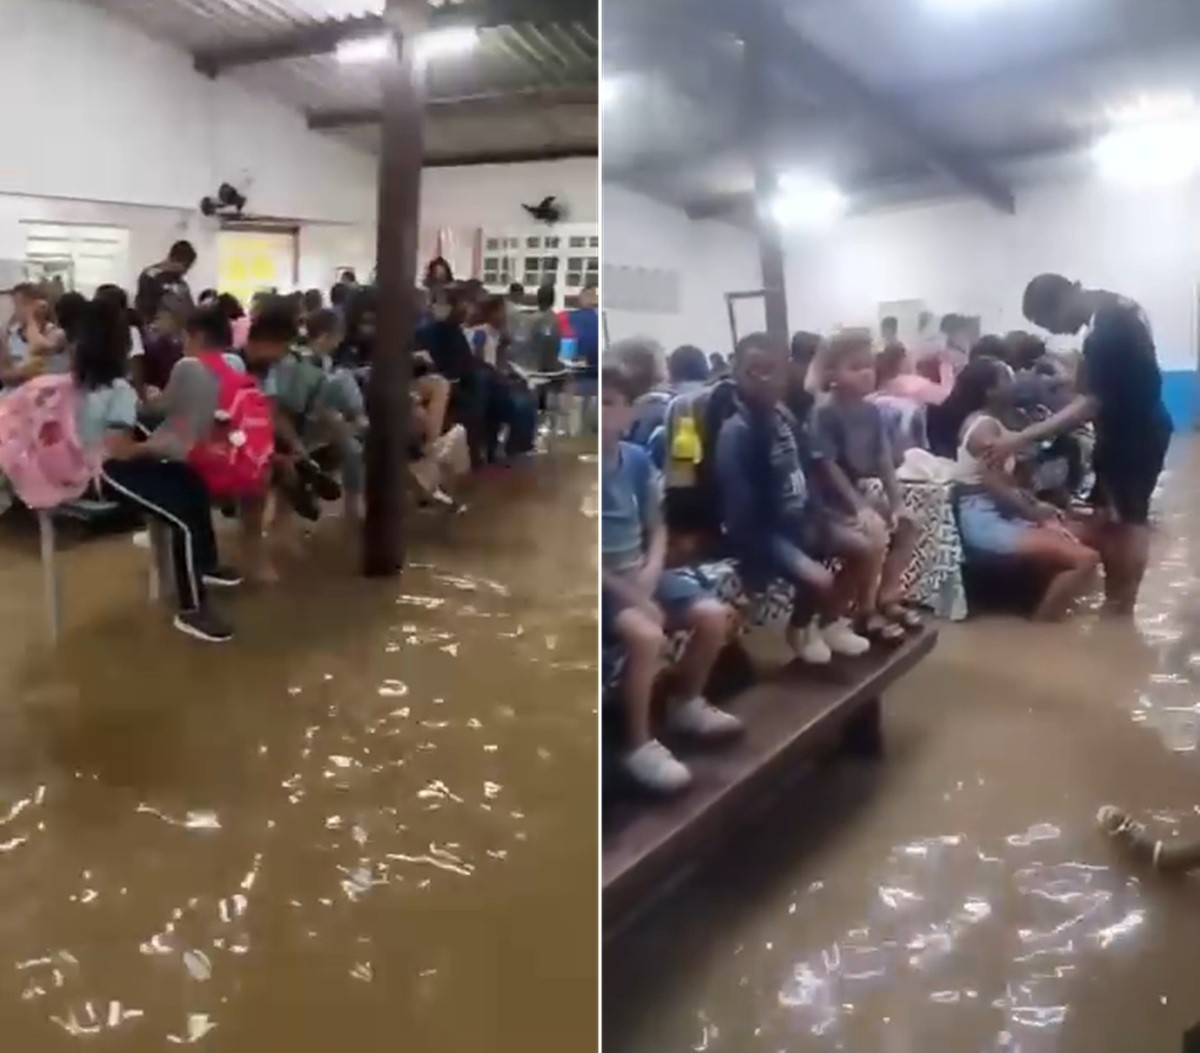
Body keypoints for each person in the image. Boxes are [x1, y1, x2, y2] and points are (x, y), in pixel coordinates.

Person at [983, 273, 1173, 616]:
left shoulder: (1105, 332)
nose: (1055, 330)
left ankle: (1121, 606)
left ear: (1061, 301)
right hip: (1138, 425)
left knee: (1130, 520)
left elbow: (1091, 402)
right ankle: (1117, 598)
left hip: (1133, 433)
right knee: (1116, 517)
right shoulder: (1114, 307)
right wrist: (1060, 382)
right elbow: (1102, 376)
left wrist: (1020, 437)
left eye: (1048, 321)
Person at [602, 366, 742, 794]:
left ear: (629, 412)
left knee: (713, 615)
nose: (600, 412)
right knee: (645, 636)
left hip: (638, 572)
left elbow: (657, 526)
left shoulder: (638, 460)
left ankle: (686, 702)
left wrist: (649, 572)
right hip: (602, 586)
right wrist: (632, 595)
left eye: (610, 403)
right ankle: (637, 745)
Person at [77, 300, 241, 641]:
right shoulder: (117, 388)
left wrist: (154, 443)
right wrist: (158, 447)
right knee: (181, 515)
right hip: (104, 473)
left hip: (93, 464)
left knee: (191, 482)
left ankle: (205, 564)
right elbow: (120, 449)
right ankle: (191, 608)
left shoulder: (82, 381)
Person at [715, 333, 878, 660]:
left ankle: (831, 623)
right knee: (819, 579)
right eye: (754, 371)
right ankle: (800, 627)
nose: (765, 380)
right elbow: (740, 514)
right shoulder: (736, 433)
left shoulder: (785, 418)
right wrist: (775, 547)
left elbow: (807, 471)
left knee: (864, 548)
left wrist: (822, 516)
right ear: (737, 373)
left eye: (772, 370)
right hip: (768, 532)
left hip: (802, 517)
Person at [950, 357, 1100, 620]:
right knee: (1086, 559)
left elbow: (1012, 483)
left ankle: (1042, 617)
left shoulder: (996, 421)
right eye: (1007, 377)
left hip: (999, 513)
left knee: (1077, 532)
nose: (1016, 382)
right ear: (989, 390)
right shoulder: (983, 428)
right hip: (984, 520)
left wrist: (1040, 509)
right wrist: (1037, 511)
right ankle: (1042, 629)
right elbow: (996, 485)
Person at [814, 332, 922, 634]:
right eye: (855, 366)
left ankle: (888, 595)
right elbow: (827, 467)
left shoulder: (872, 411)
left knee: (908, 523)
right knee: (873, 535)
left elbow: (884, 460)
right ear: (832, 375)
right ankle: (865, 610)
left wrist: (897, 504)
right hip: (824, 504)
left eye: (869, 365)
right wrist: (860, 508)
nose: (866, 372)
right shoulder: (825, 413)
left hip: (854, 497)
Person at [134, 240, 197, 324]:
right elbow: (144, 308)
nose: (185, 271)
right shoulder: (150, 276)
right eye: (185, 266)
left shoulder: (179, 281)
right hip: (157, 329)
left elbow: (189, 309)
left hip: (179, 329)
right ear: (173, 259)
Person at [875, 341, 953, 405]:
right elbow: (944, 394)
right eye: (909, 355)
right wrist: (946, 364)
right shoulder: (914, 384)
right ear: (903, 361)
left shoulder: (880, 384)